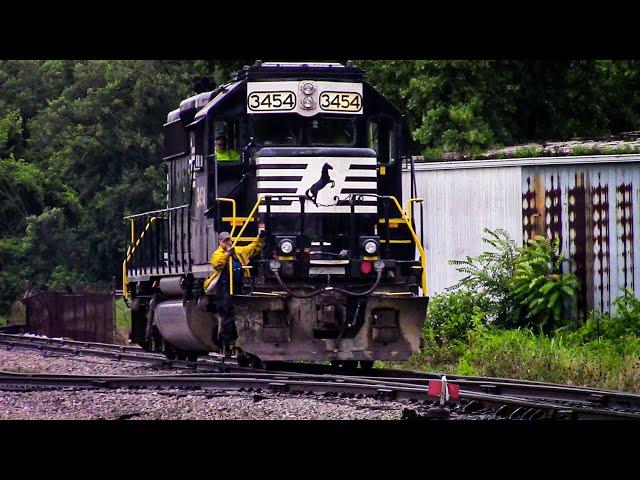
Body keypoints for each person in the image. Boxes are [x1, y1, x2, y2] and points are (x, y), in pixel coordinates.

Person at [204, 230, 266, 355]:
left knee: (243, 310)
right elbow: (217, 264)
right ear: (220, 242)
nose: (228, 242)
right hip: (225, 287)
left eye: (229, 240)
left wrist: (259, 238)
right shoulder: (217, 254)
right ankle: (228, 341)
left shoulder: (238, 251)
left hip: (240, 286)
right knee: (227, 312)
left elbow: (251, 249)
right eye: (225, 241)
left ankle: (245, 336)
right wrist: (227, 254)